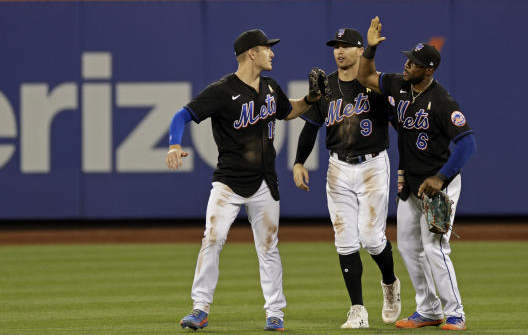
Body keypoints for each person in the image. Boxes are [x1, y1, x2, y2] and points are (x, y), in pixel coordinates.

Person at [166, 29, 325, 332]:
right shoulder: (222, 91)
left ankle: (275, 313)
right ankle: (200, 308)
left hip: (265, 181)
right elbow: (181, 115)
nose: (272, 53)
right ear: (252, 53)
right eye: (267, 48)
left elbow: (288, 111)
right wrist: (175, 144)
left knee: (268, 247)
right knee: (212, 239)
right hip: (228, 181)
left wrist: (310, 99)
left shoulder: (270, 87)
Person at [356, 17, 477, 331]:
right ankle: (428, 309)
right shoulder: (398, 84)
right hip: (411, 183)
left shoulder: (442, 102)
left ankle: (456, 313)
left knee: (435, 247)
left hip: (440, 185)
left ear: (429, 70)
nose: (408, 64)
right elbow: (364, 74)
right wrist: (370, 47)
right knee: (408, 246)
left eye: (415, 62)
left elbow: (468, 144)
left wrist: (441, 177)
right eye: (408, 59)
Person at [292, 27, 401, 328]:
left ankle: (390, 283)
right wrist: (299, 161)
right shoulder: (325, 86)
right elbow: (311, 126)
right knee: (345, 240)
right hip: (338, 167)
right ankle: (358, 309)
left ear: (358, 51)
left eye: (346, 45)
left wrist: (406, 167)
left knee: (371, 238)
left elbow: (400, 126)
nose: (339, 51)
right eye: (335, 46)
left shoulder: (375, 86)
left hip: (372, 166)